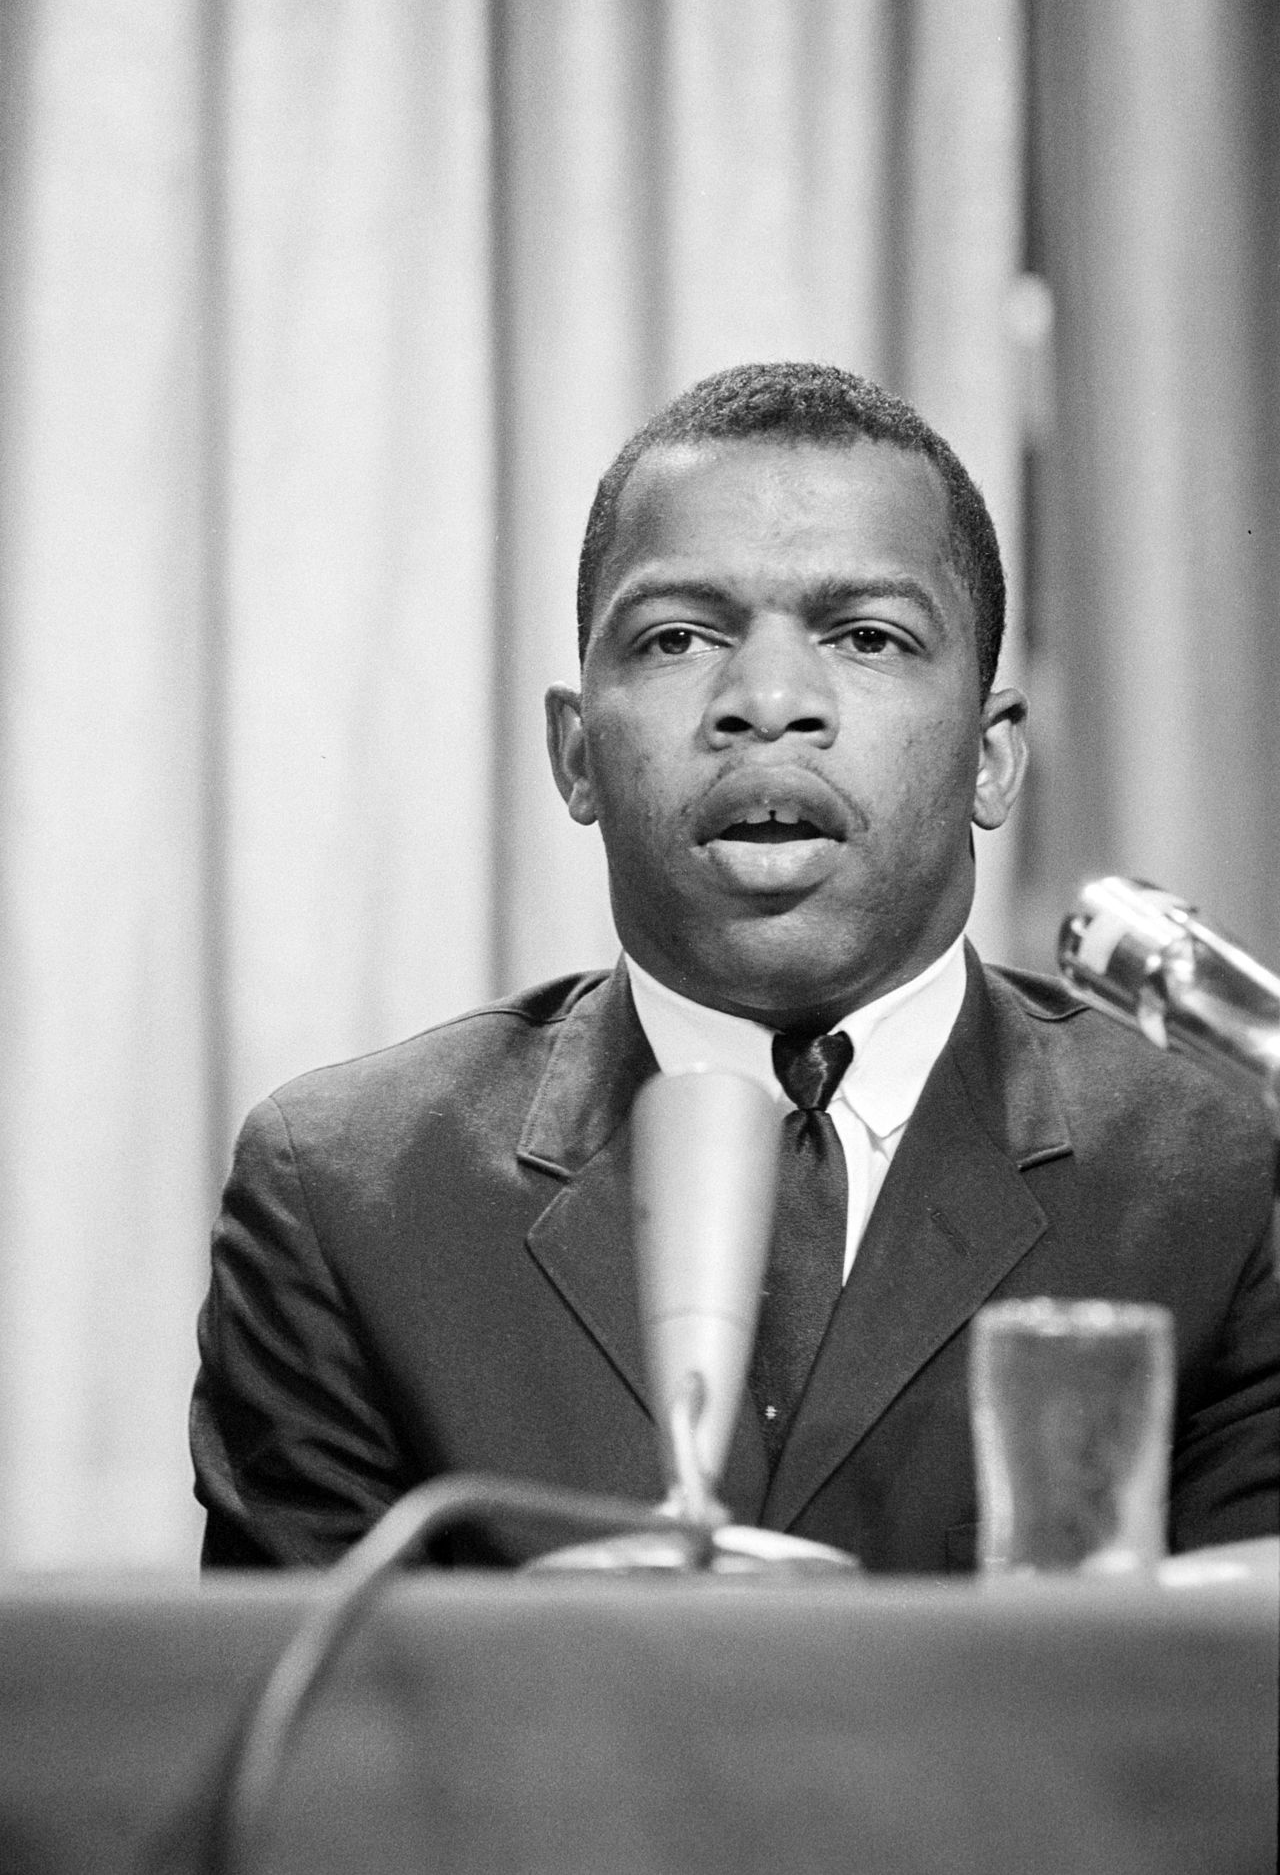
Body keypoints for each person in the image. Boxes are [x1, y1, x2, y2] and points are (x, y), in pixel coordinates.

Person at [192, 362, 1280, 1572]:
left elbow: (1227, 1721)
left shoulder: (1220, 1170)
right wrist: (526, 1666)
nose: (766, 701)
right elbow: (282, 1729)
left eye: (865, 636)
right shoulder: (348, 1193)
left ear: (989, 759)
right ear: (574, 755)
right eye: (677, 639)